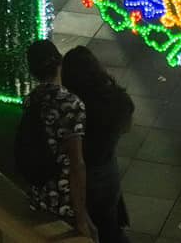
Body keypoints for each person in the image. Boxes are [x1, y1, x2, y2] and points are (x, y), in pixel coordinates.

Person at [18, 39, 93, 237]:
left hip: (39, 194)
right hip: (63, 199)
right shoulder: (70, 104)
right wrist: (81, 219)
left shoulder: (31, 99)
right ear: (60, 62)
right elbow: (76, 164)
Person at [61, 46, 133, 243]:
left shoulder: (74, 107)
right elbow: (127, 127)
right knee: (110, 222)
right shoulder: (116, 98)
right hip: (108, 170)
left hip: (87, 177)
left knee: (96, 227)